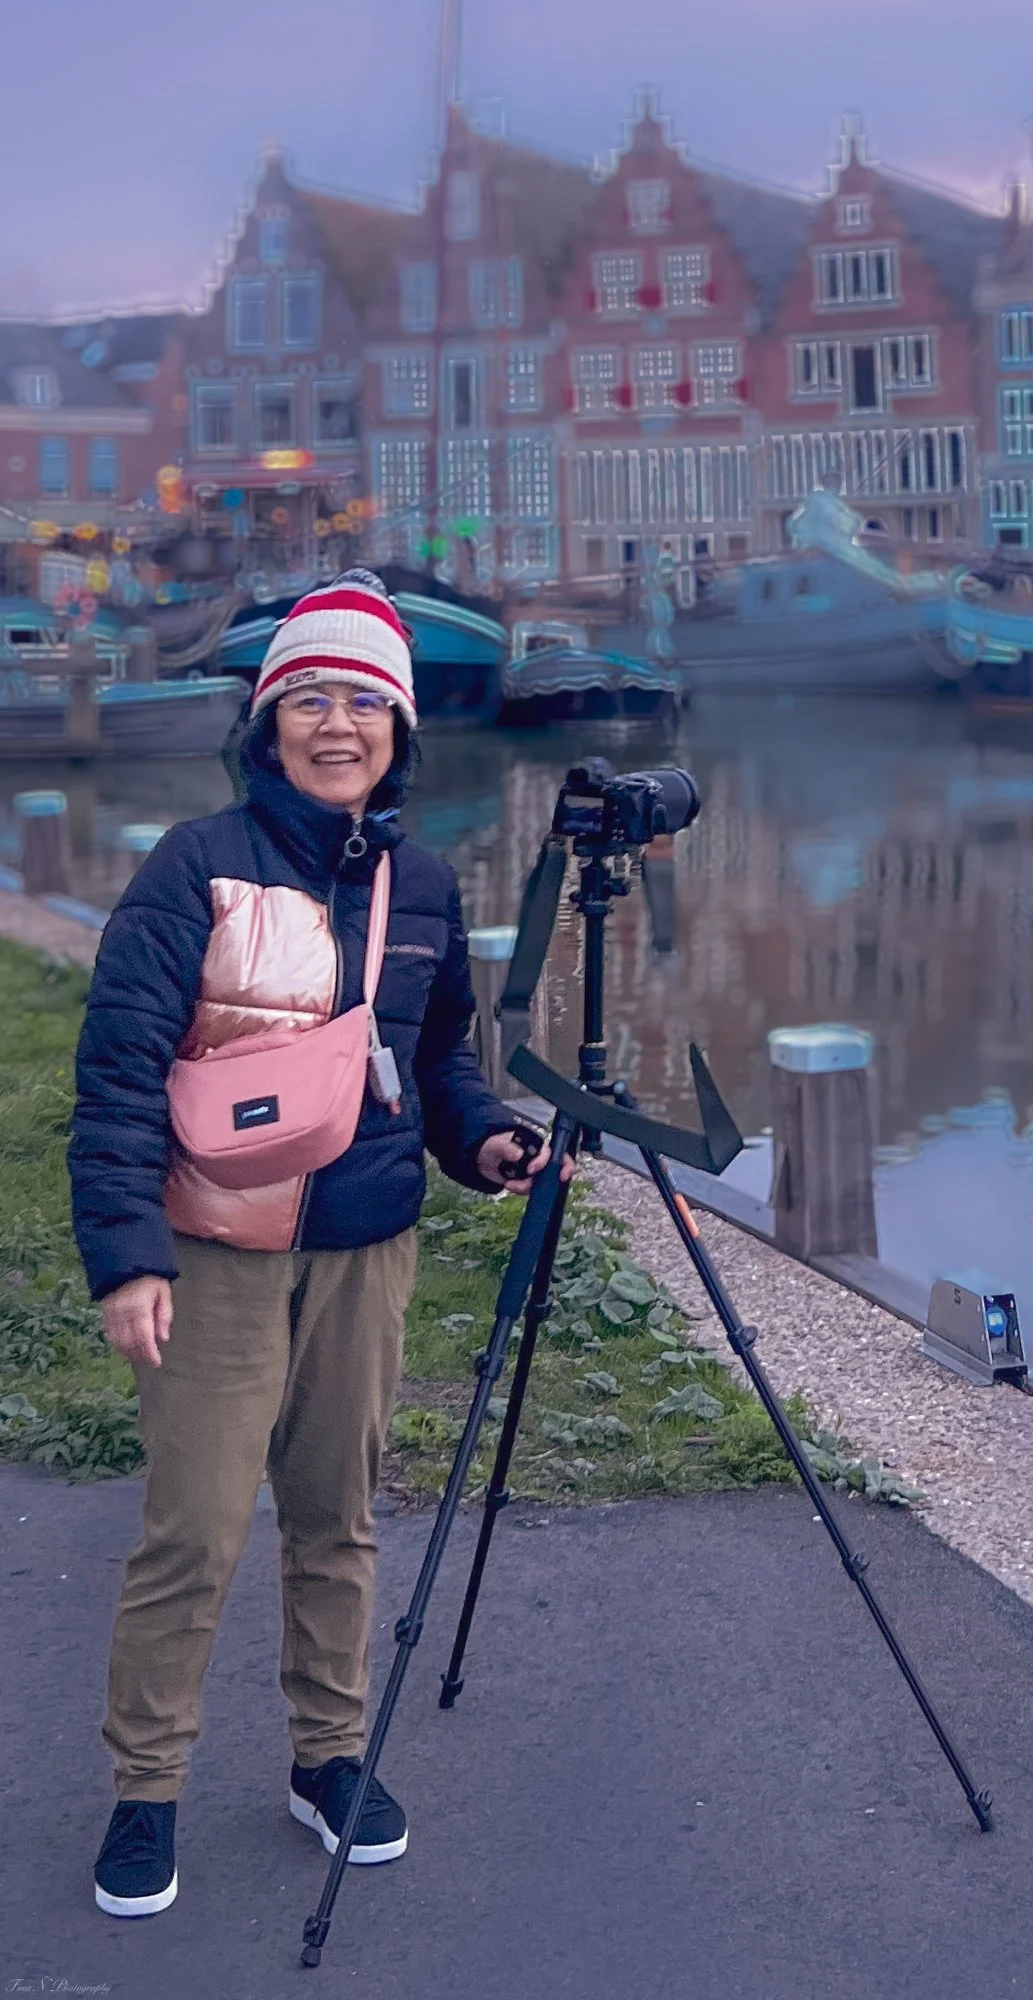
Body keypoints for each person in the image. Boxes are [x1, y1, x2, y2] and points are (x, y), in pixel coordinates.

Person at [69, 568, 572, 1920]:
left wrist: (486, 1144)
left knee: (338, 1521)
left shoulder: (425, 881)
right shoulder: (195, 866)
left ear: (400, 729)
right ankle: (146, 1786)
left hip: (364, 1245)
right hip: (213, 1247)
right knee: (192, 1530)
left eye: (365, 702)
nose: (338, 723)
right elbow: (117, 1075)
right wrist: (126, 1258)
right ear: (271, 718)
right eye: (312, 699)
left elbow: (437, 1063)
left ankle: (326, 1755)